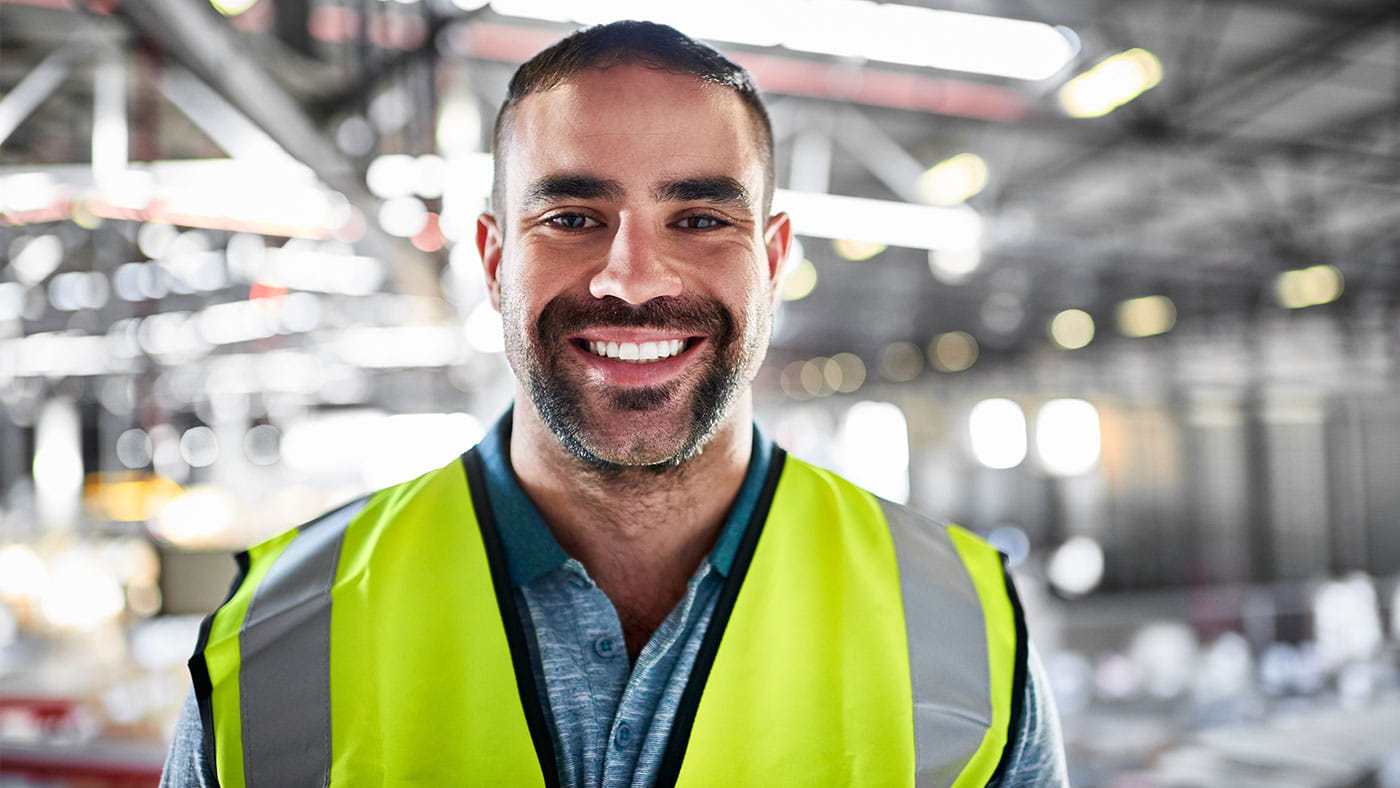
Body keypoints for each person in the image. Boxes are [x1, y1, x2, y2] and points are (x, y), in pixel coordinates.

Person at [162, 20, 1068, 787]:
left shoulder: (961, 625)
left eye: (702, 219)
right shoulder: (278, 642)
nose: (633, 281)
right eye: (571, 218)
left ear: (775, 258)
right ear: (491, 259)